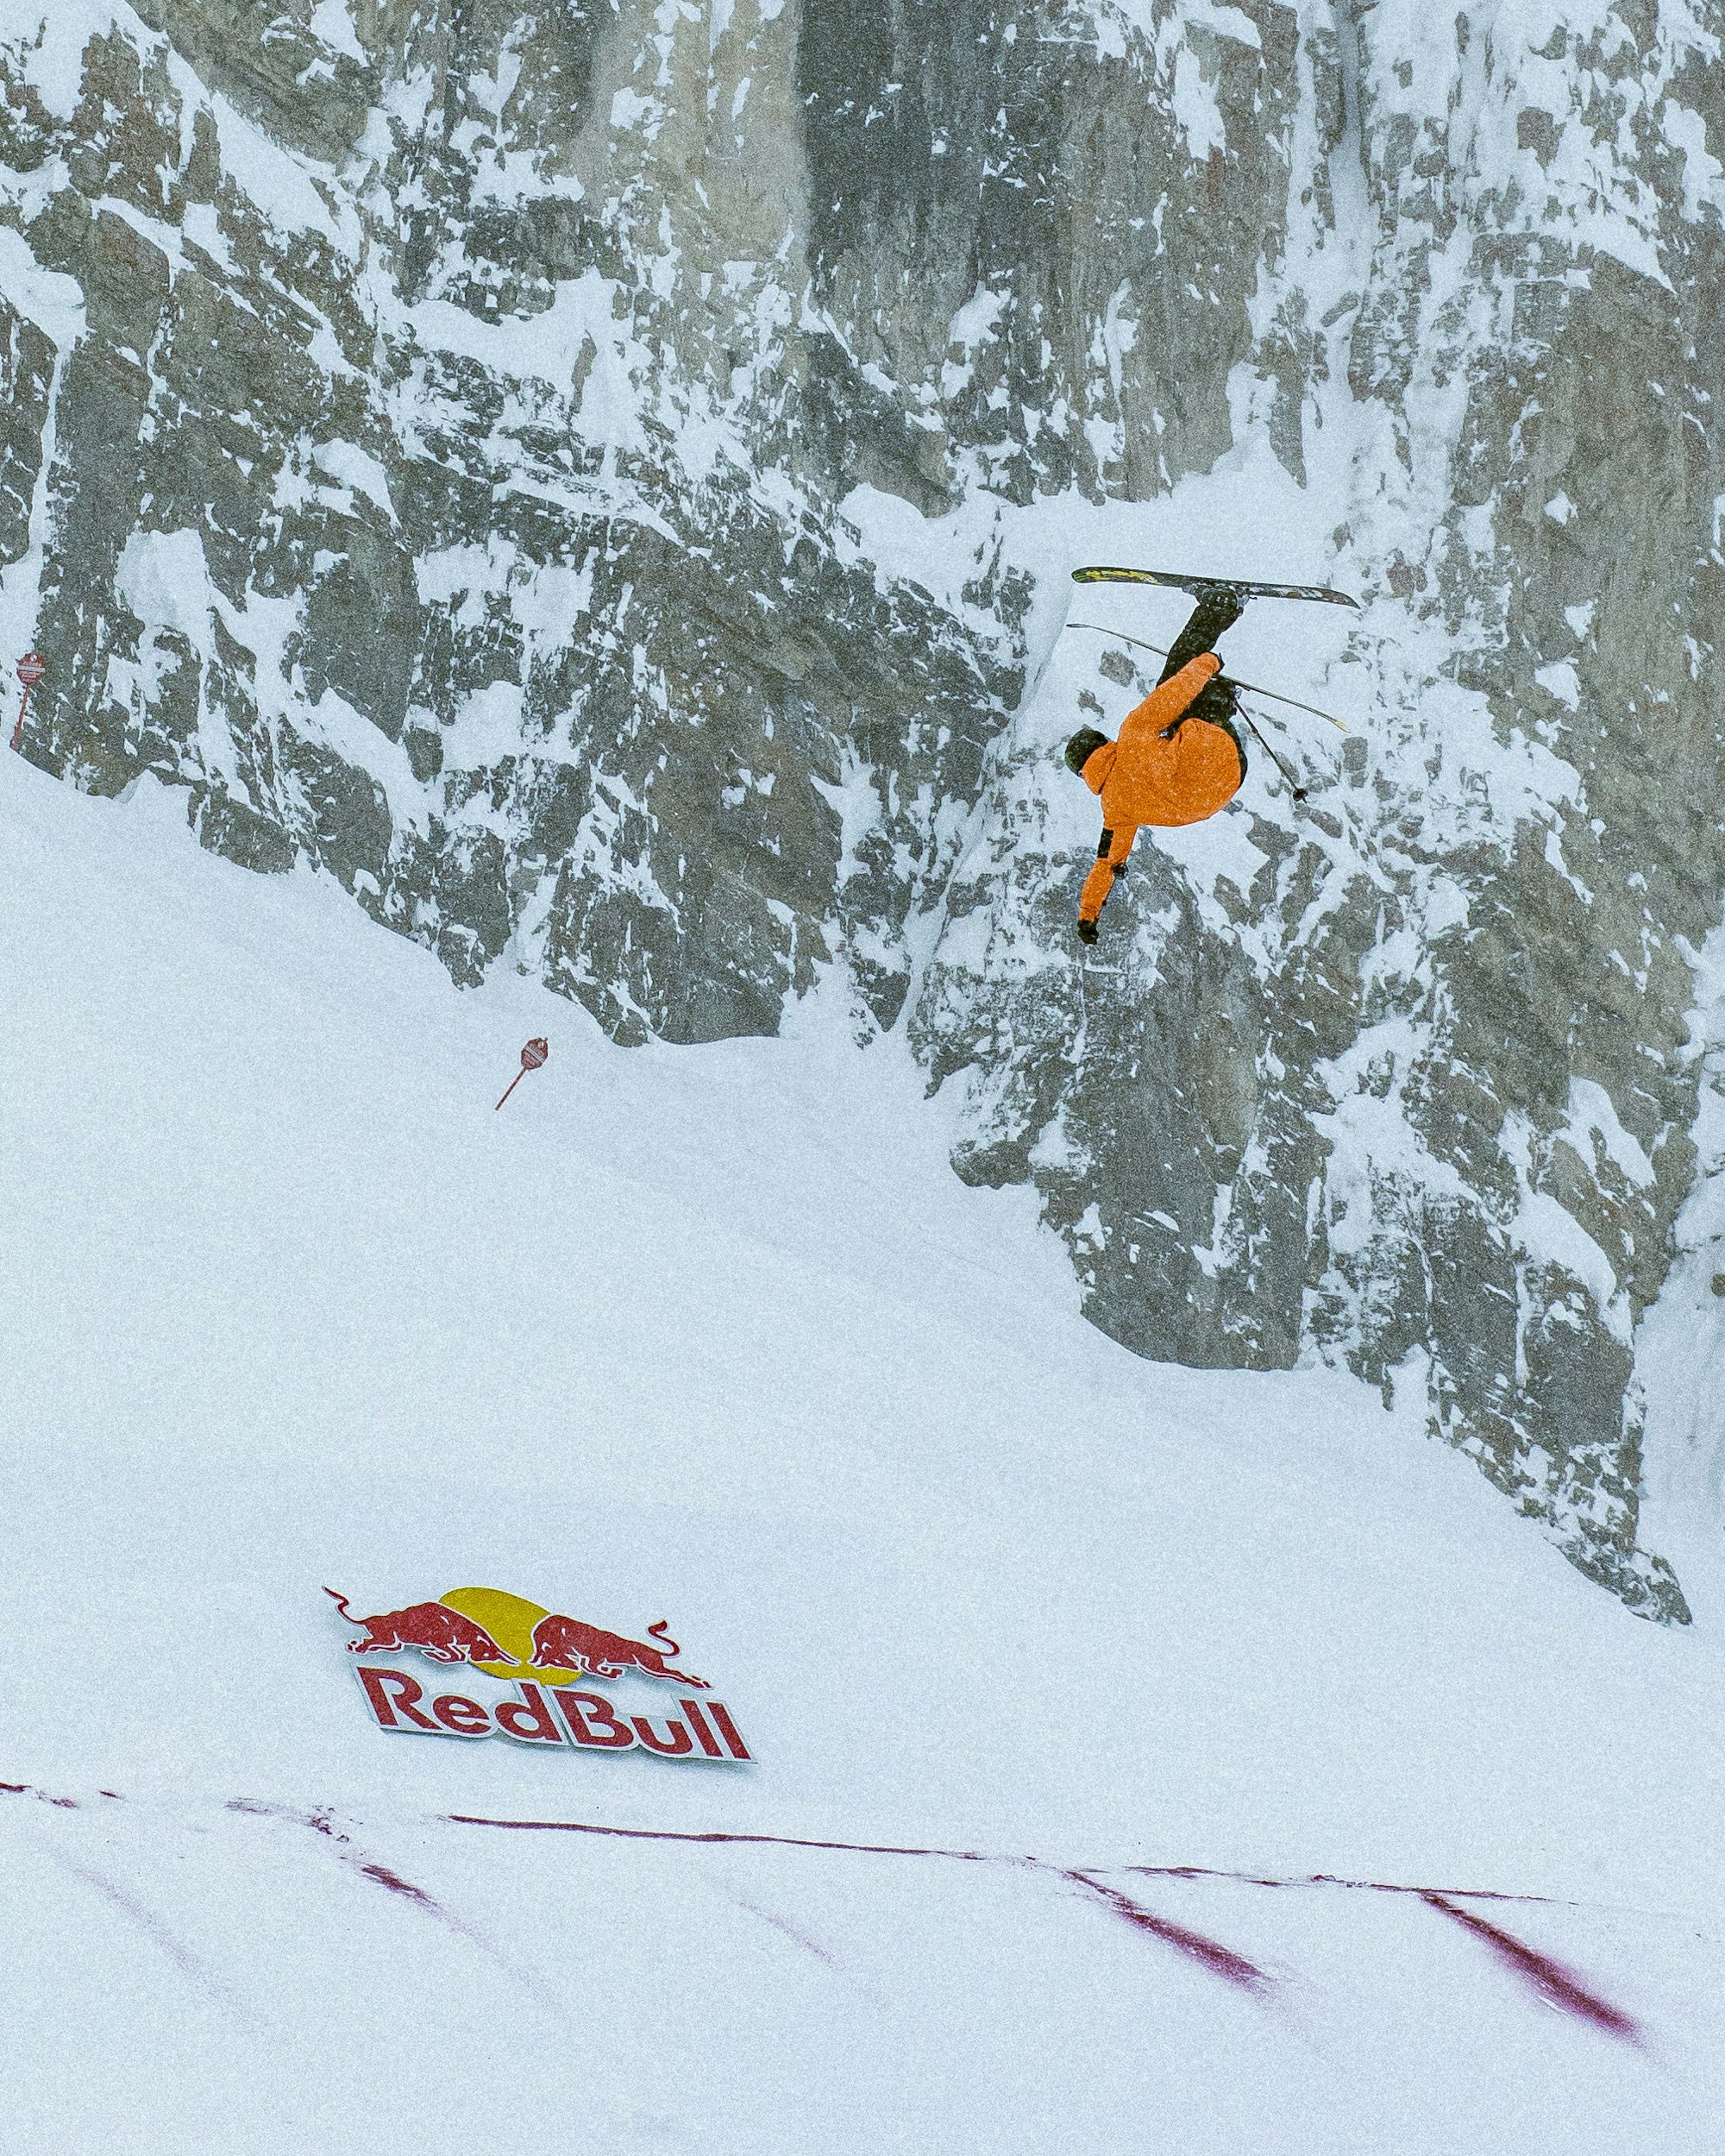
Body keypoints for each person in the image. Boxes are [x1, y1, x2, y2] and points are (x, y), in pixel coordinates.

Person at [1063, 592, 1248, 942]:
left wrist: (1088, 915)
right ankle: (1219, 606)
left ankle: (1220, 699)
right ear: (1101, 743)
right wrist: (1207, 663)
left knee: (1182, 728)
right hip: (1213, 748)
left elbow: (1105, 865)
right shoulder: (1131, 733)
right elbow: (1173, 693)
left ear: (1084, 773)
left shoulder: (1115, 813)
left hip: (1230, 778)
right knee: (1177, 672)